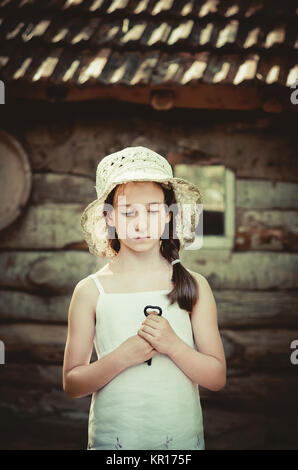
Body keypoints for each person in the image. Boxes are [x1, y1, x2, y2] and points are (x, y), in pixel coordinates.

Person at [63, 146, 226, 450]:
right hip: (114, 445)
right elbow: (72, 383)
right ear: (109, 217)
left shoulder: (194, 286)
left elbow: (216, 377)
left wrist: (173, 345)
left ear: (167, 215)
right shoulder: (90, 291)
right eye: (128, 212)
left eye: (152, 210)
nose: (141, 223)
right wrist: (121, 357)